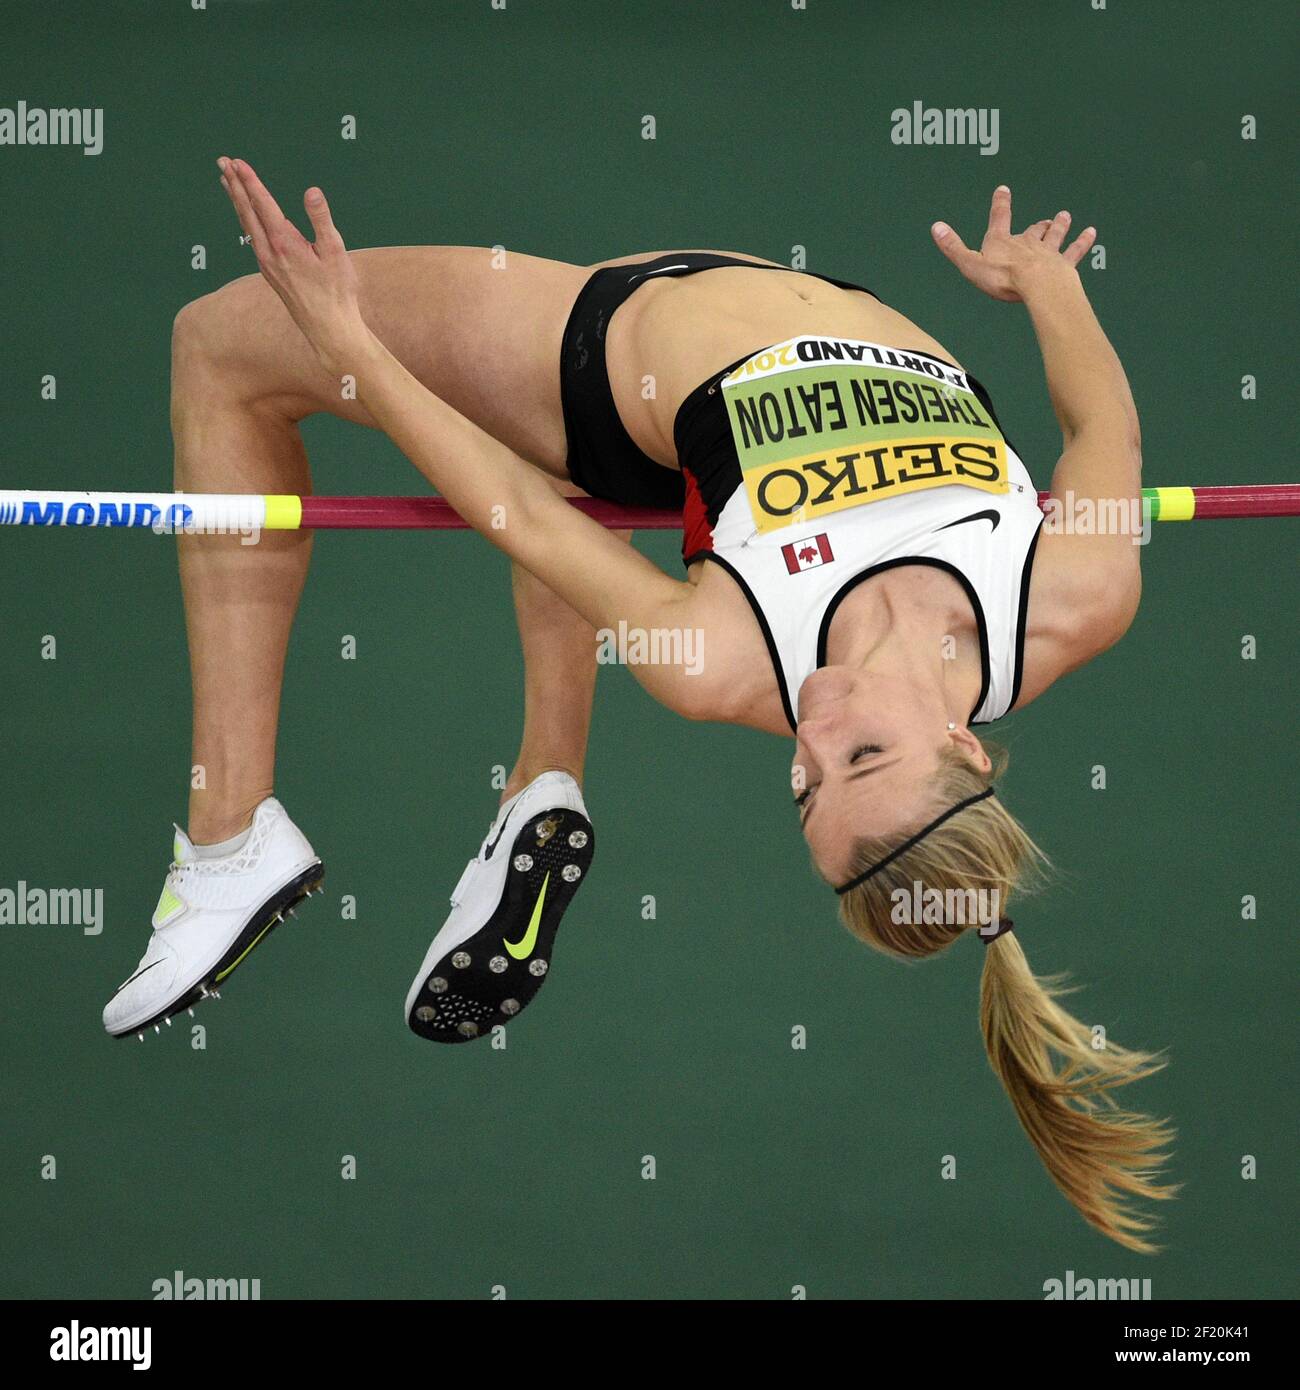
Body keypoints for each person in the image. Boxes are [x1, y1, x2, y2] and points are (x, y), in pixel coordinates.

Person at [104, 162, 1170, 1250]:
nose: (813, 735)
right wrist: (1046, 284)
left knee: (224, 341)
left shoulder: (728, 658)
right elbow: (1103, 432)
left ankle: (233, 836)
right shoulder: (1071, 600)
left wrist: (356, 351)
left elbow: (519, 516)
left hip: (621, 357)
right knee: (550, 473)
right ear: (967, 748)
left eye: (802, 790)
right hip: (781, 317)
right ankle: (540, 781)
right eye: (864, 755)